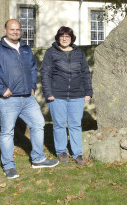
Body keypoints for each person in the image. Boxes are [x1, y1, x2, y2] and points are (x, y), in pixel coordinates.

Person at [0, 19, 58, 179]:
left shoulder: (25, 48)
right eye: (12, 29)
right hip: (7, 100)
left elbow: (32, 67)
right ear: (5, 30)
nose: (15, 32)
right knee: (7, 132)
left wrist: (32, 86)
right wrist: (2, 90)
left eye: (18, 29)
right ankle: (9, 166)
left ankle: (38, 159)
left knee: (38, 124)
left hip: (27, 98)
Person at [40, 26, 93, 166]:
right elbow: (45, 73)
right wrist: (48, 92)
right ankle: (61, 151)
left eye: (67, 36)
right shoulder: (51, 53)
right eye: (62, 36)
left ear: (71, 38)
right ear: (58, 38)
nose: (64, 38)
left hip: (77, 94)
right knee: (59, 124)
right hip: (57, 95)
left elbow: (85, 73)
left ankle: (77, 154)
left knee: (75, 124)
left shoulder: (79, 53)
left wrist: (88, 92)